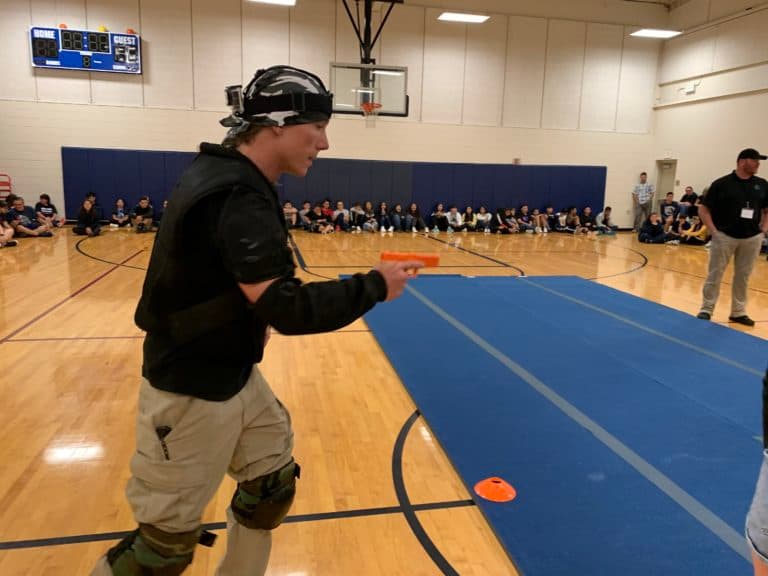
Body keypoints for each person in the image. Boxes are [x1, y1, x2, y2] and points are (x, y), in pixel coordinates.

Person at [91, 65, 422, 575]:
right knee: (160, 550)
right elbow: (286, 308)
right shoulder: (235, 193)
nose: (325, 143)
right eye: (318, 128)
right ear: (278, 125)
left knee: (270, 486)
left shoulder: (230, 176)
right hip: (192, 388)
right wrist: (374, 285)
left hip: (231, 372)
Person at [696, 148, 768, 325]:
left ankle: (738, 311)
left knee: (743, 276)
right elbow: (703, 209)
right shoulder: (721, 184)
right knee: (715, 273)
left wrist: (764, 229)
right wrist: (714, 231)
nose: (758, 164)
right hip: (725, 236)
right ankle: (707, 308)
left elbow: (767, 209)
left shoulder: (762, 184)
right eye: (755, 160)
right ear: (742, 162)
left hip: (752, 237)